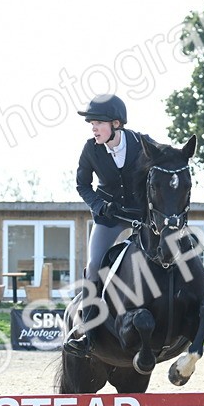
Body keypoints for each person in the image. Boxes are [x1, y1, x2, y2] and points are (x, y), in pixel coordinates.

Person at [64, 94, 151, 352]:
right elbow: (82, 184)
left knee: (175, 252)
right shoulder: (90, 148)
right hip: (109, 219)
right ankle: (87, 333)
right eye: (91, 124)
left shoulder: (142, 143)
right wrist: (99, 205)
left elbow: (166, 162)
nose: (93, 129)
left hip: (142, 219)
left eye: (98, 123)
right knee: (94, 267)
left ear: (116, 123)